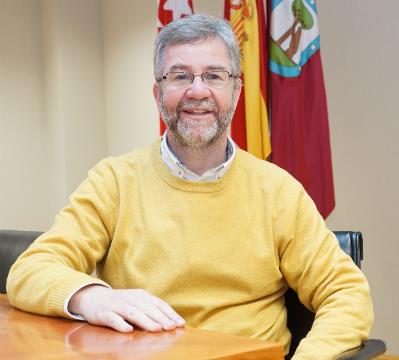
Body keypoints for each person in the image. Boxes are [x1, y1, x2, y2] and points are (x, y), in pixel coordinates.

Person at [7, 14, 373, 359]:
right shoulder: (113, 182)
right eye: (180, 76)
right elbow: (31, 270)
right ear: (156, 94)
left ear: (237, 90)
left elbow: (346, 293)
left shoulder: (278, 191)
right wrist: (92, 298)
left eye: (214, 76)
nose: (198, 92)